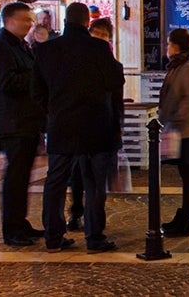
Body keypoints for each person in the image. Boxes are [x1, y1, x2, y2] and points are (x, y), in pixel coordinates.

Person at [34, 2, 123, 252]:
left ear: (64, 21)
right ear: (87, 22)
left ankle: (53, 236)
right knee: (94, 183)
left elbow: (36, 90)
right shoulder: (98, 48)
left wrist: (53, 110)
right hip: (95, 125)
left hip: (61, 124)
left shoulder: (47, 50)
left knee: (56, 182)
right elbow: (115, 80)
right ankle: (94, 237)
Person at [0, 2, 45, 247]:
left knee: (22, 178)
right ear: (9, 20)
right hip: (14, 121)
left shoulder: (23, 46)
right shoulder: (2, 48)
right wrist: (37, 75)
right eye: (24, 19)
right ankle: (12, 229)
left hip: (27, 121)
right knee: (15, 177)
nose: (29, 24)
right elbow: (6, 83)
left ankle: (20, 223)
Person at [68, 16, 117, 230]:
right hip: (79, 129)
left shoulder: (113, 65)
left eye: (103, 36)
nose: (99, 39)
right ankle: (78, 215)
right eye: (96, 34)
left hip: (102, 130)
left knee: (97, 182)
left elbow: (116, 102)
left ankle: (94, 225)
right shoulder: (78, 63)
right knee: (78, 177)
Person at [158, 27, 189, 236]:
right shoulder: (177, 66)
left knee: (187, 174)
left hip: (184, 129)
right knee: (184, 174)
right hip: (176, 126)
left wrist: (174, 118)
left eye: (169, 43)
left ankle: (187, 218)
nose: (167, 47)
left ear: (176, 46)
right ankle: (185, 216)